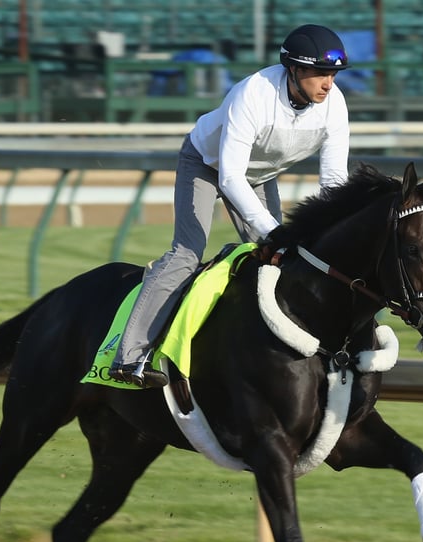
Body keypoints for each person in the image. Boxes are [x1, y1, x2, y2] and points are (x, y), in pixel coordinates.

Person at [109, 24, 352, 388]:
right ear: (295, 70)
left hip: (259, 174)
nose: (328, 83)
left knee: (282, 258)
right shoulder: (253, 93)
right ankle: (129, 358)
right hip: (207, 166)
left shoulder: (334, 105)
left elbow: (334, 181)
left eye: (332, 74)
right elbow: (230, 178)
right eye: (320, 73)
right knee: (187, 254)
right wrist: (272, 228)